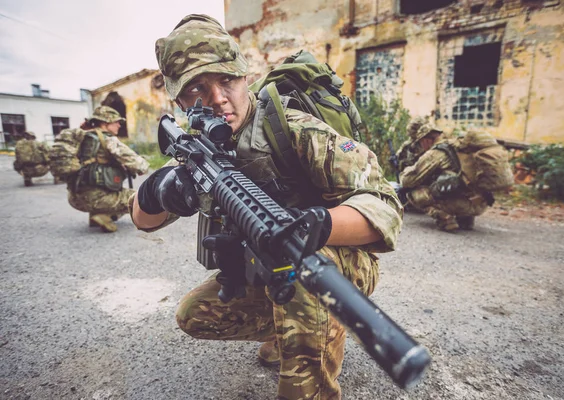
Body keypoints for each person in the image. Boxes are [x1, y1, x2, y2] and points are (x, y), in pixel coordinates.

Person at [130, 14, 403, 399]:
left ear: (244, 76)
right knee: (195, 314)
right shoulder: (198, 147)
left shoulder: (292, 129)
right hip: (266, 265)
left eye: (226, 80)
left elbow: (386, 205)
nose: (217, 98)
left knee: (305, 267)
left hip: (336, 262)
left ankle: (315, 358)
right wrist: (161, 189)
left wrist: (316, 225)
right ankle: (289, 327)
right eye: (196, 88)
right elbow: (141, 219)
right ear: (178, 101)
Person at [68, 106, 149, 233]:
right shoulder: (108, 139)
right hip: (96, 198)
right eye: (116, 122)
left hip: (74, 197)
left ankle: (95, 215)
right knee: (138, 197)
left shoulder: (82, 137)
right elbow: (141, 166)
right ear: (105, 122)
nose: (119, 125)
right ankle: (104, 215)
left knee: (101, 186)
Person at [399, 123, 490, 232]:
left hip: (461, 204)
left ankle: (445, 218)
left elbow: (408, 180)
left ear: (426, 140)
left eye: (420, 143)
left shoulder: (436, 152)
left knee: (414, 193)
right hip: (482, 204)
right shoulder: (459, 146)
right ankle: (466, 219)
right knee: (454, 181)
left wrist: (404, 172)